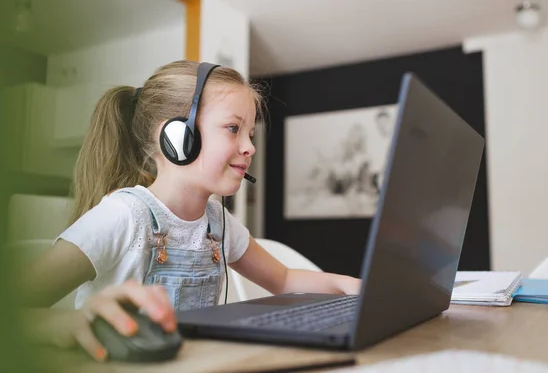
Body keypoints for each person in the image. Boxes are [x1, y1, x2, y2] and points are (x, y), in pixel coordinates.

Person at [18, 60, 361, 362]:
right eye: (233, 128)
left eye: (250, 133)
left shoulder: (219, 222)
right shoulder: (124, 215)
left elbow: (284, 279)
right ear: (177, 135)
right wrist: (66, 322)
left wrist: (352, 285)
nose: (250, 147)